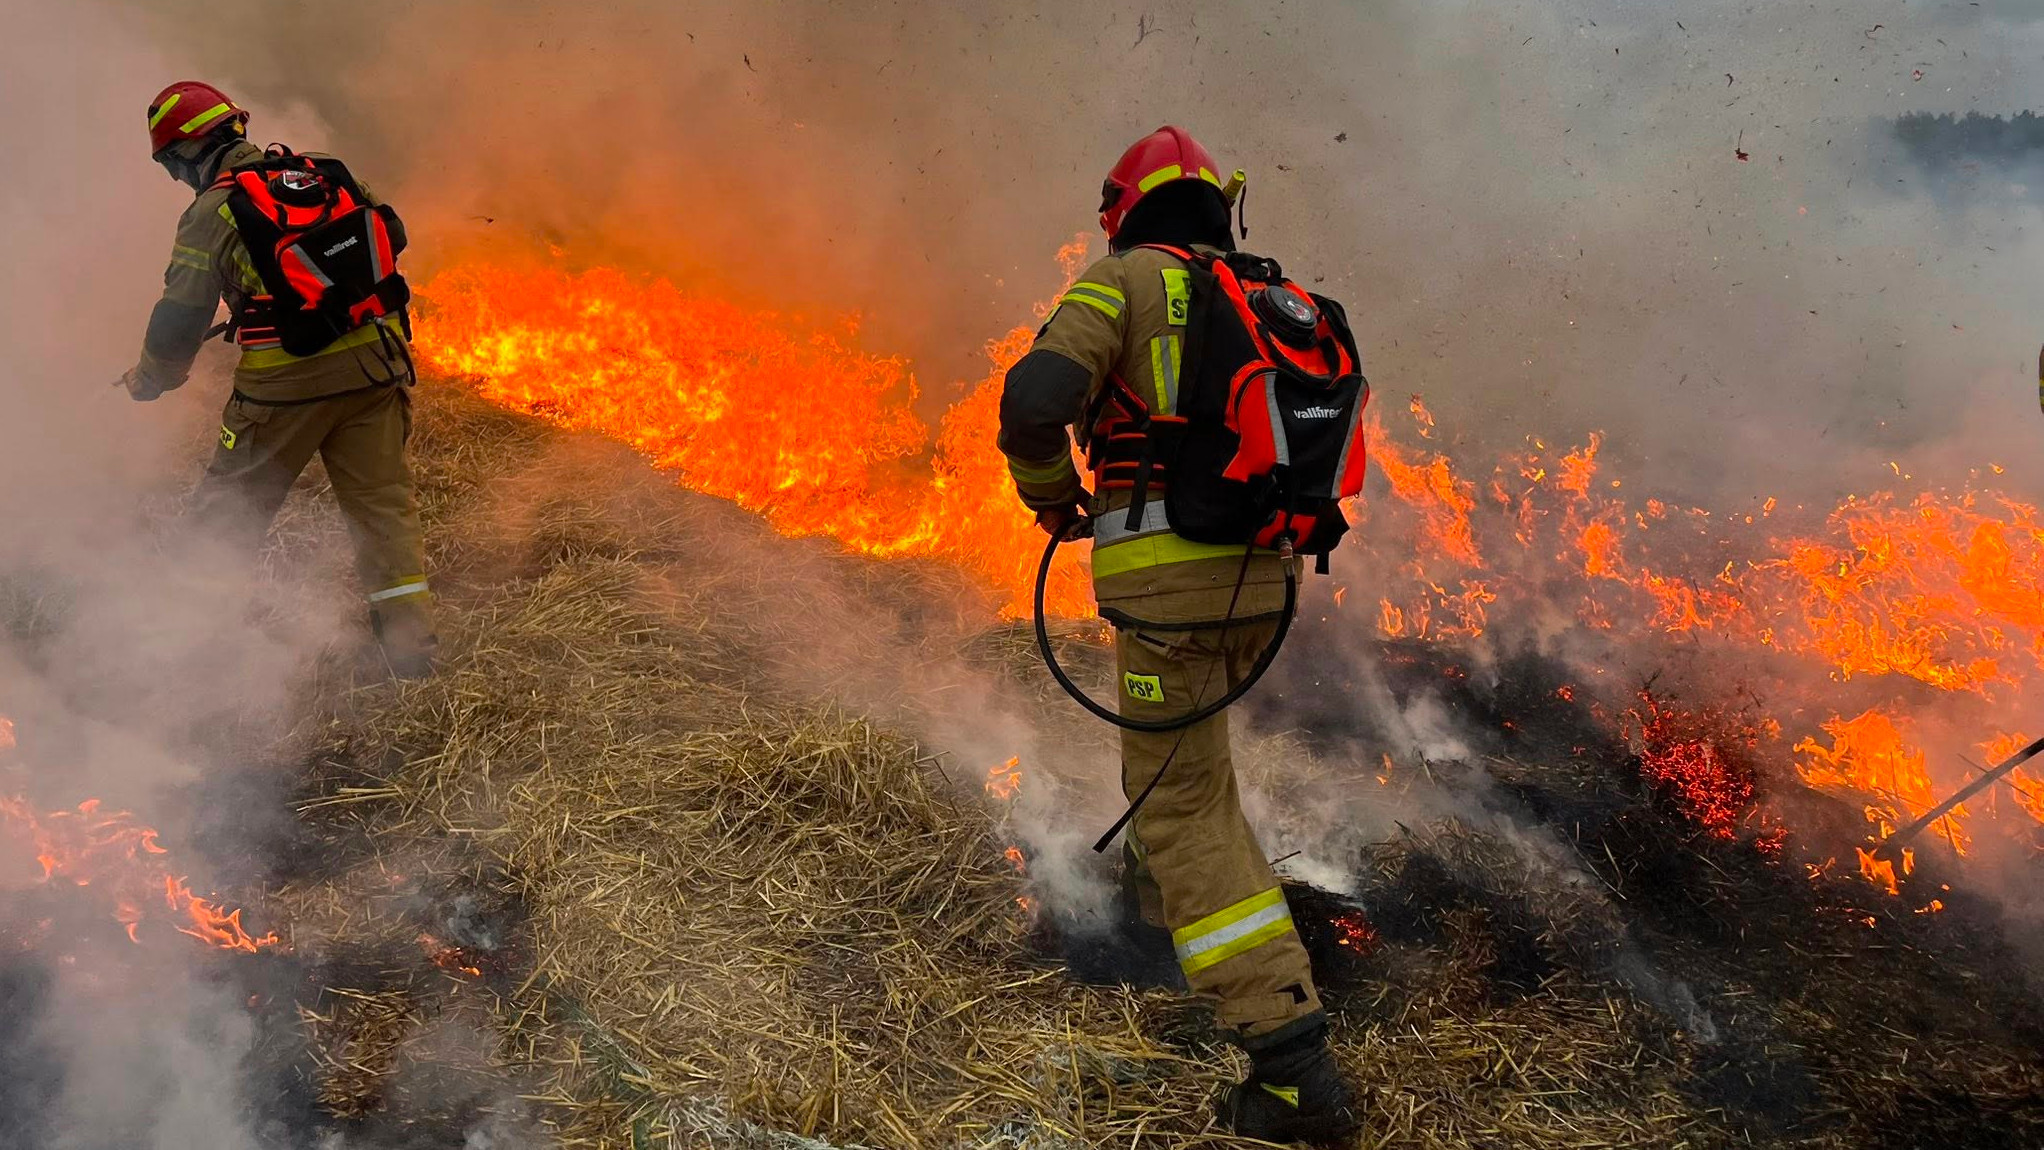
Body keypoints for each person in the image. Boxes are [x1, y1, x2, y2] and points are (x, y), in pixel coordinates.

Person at [997, 126, 1362, 1142]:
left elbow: (1034, 398)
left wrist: (1050, 493)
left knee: (1184, 811)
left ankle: (1290, 1064)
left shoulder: (1123, 283)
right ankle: (1158, 942)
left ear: (1122, 212)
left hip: (1170, 592)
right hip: (1263, 583)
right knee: (1185, 773)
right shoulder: (1262, 293)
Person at [121, 81, 435, 679]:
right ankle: (410, 647)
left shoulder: (212, 211)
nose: (176, 177)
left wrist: (153, 378)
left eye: (170, 164)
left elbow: (181, 315)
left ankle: (177, 651)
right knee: (382, 509)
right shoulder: (326, 173)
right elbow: (390, 237)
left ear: (188, 152)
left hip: (283, 390)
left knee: (226, 514)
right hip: (376, 370)